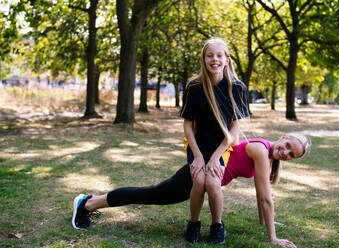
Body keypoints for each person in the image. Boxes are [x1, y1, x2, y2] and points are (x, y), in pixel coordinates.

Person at [72, 133, 311, 248]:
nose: (286, 153)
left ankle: (90, 201)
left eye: (291, 155)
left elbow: (262, 197)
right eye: (287, 146)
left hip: (205, 180)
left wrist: (267, 224)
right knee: (148, 195)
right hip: (194, 177)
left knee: (150, 195)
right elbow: (265, 198)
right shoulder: (261, 150)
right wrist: (272, 238)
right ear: (283, 137)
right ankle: (88, 203)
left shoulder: (266, 154)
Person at [180, 37, 248, 244]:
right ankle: (193, 223)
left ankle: (217, 225)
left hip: (223, 145)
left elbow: (235, 128)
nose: (214, 59)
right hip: (197, 143)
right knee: (199, 180)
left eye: (219, 55)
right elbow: (187, 126)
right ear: (203, 59)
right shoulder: (194, 87)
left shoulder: (236, 87)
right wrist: (199, 157)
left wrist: (215, 157)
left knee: (212, 181)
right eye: (210, 55)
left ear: (227, 60)